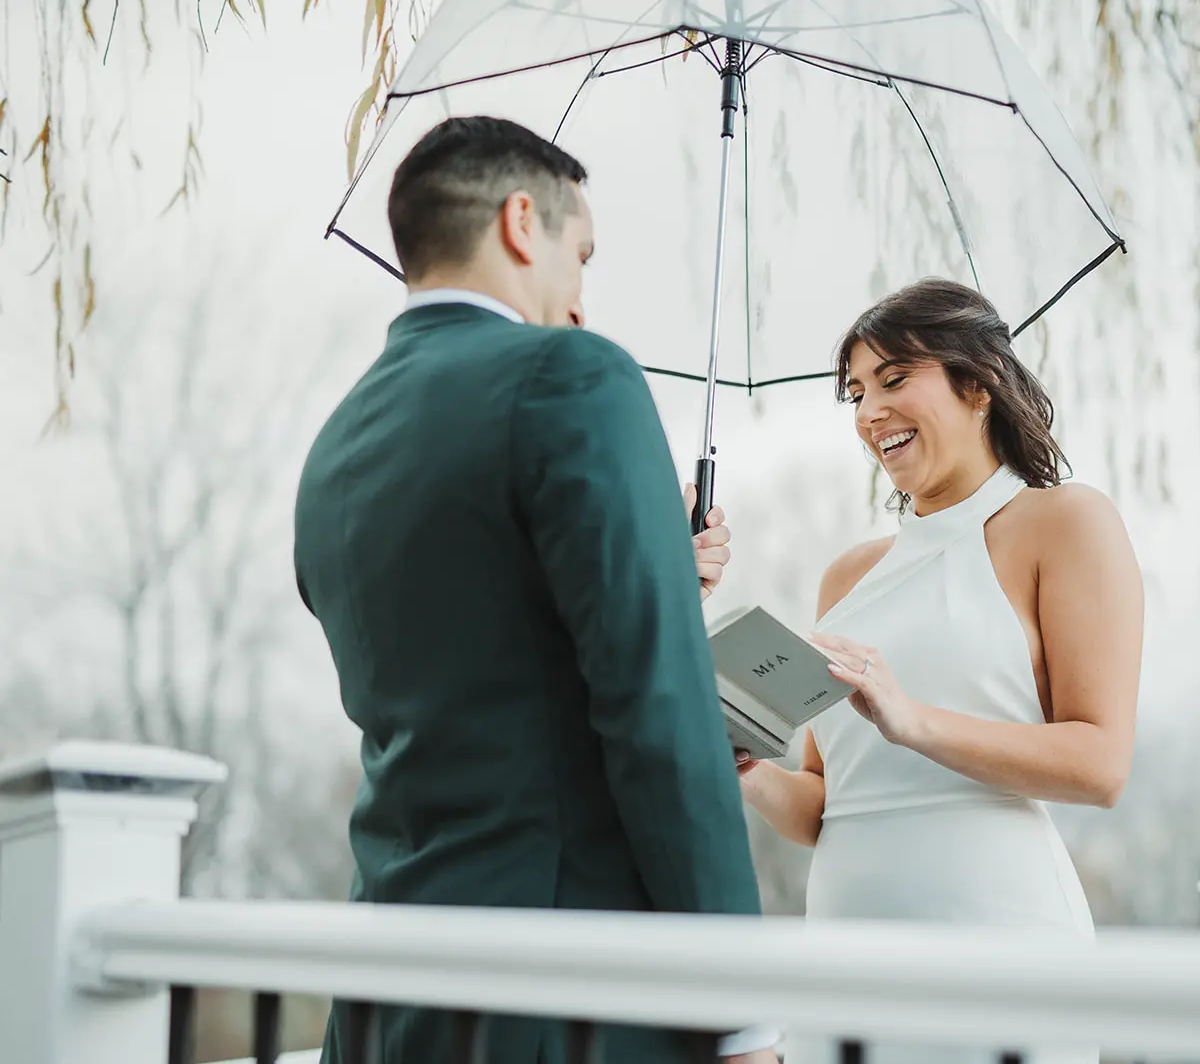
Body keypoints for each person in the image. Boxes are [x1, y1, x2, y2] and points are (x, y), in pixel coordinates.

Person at [294, 116, 776, 1064]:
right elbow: (655, 708)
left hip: (391, 989)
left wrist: (652, 563)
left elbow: (475, 653)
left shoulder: (335, 446)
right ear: (523, 222)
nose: (580, 300)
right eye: (580, 255)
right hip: (564, 993)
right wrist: (743, 1009)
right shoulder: (572, 375)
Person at [736, 278, 1143, 1064]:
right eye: (856, 391)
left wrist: (911, 719)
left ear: (978, 383)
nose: (867, 412)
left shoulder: (1065, 522)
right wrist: (747, 771)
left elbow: (1101, 764)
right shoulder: (846, 577)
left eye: (893, 379)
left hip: (999, 949)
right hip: (847, 964)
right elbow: (825, 807)